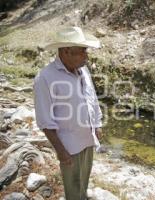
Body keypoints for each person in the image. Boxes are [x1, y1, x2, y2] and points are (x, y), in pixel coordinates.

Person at [33, 27, 103, 200]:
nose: (86, 56)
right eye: (82, 51)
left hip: (88, 140)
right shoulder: (45, 77)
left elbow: (92, 99)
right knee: (73, 191)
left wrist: (97, 124)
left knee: (83, 185)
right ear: (65, 51)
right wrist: (60, 152)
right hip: (69, 147)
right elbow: (44, 120)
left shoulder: (83, 71)